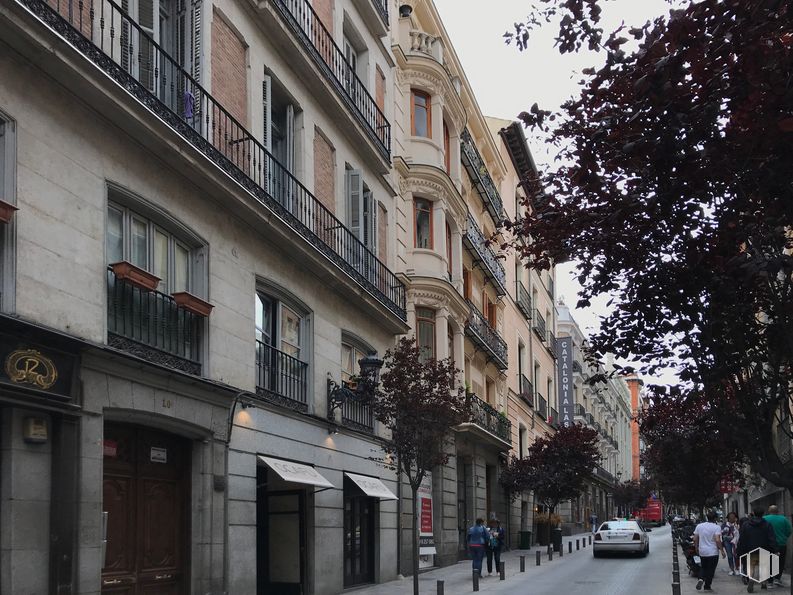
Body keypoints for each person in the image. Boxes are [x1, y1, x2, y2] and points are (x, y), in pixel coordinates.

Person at [736, 507, 777, 592]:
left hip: (750, 548)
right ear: (763, 513)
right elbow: (771, 538)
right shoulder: (767, 524)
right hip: (765, 548)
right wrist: (775, 549)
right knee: (764, 566)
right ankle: (763, 583)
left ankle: (751, 580)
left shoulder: (746, 524)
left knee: (752, 565)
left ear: (753, 513)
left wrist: (740, 549)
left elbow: (742, 538)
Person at [694, 510, 726, 591]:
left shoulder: (699, 526)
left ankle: (701, 578)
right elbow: (718, 540)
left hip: (702, 551)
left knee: (703, 567)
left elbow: (695, 538)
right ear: (715, 518)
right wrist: (722, 550)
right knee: (711, 569)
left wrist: (696, 547)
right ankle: (707, 586)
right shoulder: (716, 527)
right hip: (713, 552)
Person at [764, 505, 792, 587]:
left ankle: (770, 581)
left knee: (769, 562)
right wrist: (784, 537)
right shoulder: (783, 519)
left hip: (768, 544)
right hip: (781, 544)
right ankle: (777, 578)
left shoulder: (765, 519)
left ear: (769, 510)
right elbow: (789, 530)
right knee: (780, 561)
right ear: (778, 511)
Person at [722, 512, 740, 576]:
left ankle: (737, 568)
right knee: (730, 556)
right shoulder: (725, 524)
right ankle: (731, 569)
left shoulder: (738, 524)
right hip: (728, 542)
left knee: (736, 555)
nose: (732, 518)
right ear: (728, 518)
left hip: (736, 542)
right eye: (730, 517)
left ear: (735, 518)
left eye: (733, 517)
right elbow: (723, 534)